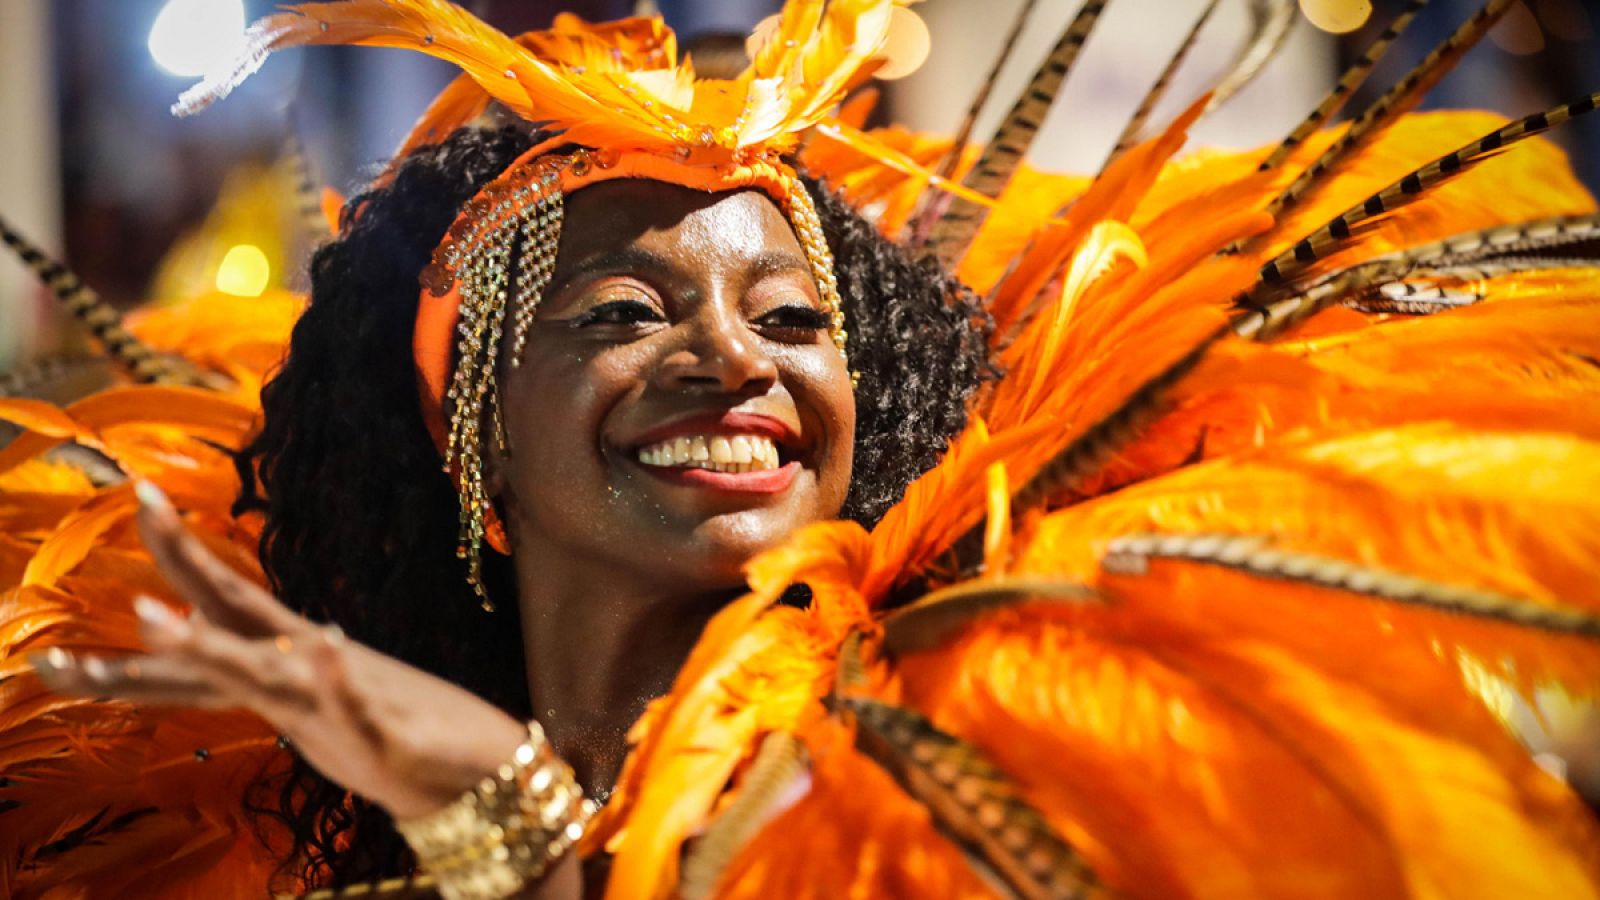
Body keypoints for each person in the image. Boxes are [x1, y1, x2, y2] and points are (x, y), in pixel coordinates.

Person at [6, 0, 1600, 898]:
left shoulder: (983, 778)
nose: (731, 361)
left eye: (791, 321)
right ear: (464, 435)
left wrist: (504, 813)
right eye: (624, 313)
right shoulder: (290, 845)